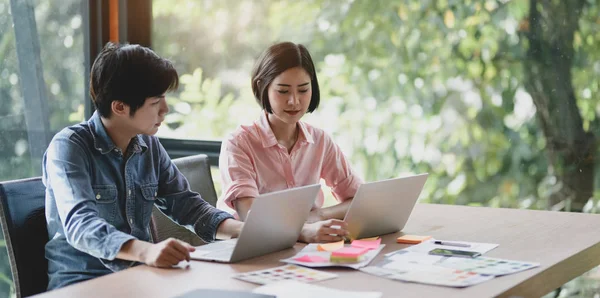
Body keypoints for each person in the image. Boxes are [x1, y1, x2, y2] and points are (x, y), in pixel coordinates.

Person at [43, 42, 243, 290]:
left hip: (140, 280)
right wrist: (147, 251)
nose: (165, 109)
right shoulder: (69, 147)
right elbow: (81, 225)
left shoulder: (149, 145)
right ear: (120, 107)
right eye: (156, 101)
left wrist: (245, 232)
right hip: (81, 285)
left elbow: (188, 206)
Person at [219, 41, 363, 243]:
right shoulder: (238, 144)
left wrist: (318, 216)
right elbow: (251, 216)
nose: (294, 101)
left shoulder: (320, 141)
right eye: (283, 91)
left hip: (299, 248)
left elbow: (358, 200)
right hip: (249, 249)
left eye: (303, 90)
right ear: (263, 87)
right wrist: (304, 229)